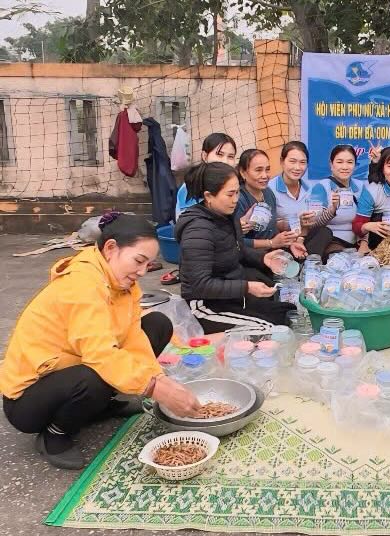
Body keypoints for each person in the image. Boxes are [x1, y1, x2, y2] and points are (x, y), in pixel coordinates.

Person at [0, 213, 201, 469]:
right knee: (95, 374)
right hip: (29, 400)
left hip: (73, 367)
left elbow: (133, 338)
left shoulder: (122, 285)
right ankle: (55, 434)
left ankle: (100, 405)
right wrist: (156, 390)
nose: (141, 272)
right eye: (138, 261)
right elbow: (101, 355)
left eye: (148, 265)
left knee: (157, 325)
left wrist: (158, 378)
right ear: (110, 248)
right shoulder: (82, 285)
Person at [176, 162, 294, 333]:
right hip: (205, 305)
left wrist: (263, 258)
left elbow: (237, 250)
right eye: (230, 194)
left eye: (238, 192)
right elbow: (199, 284)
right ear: (209, 196)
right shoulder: (198, 230)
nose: (236, 199)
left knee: (287, 313)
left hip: (231, 296)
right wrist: (247, 287)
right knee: (269, 330)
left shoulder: (226, 215)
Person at [234, 149, 305, 258]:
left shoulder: (268, 192)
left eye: (267, 170)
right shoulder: (238, 199)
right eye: (258, 170)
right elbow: (237, 241)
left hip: (275, 247)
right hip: (253, 255)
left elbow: (272, 225)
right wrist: (271, 243)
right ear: (243, 173)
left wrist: (289, 241)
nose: (265, 175)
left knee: (323, 232)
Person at [301, 145, 367, 257]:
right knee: (340, 261)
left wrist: (364, 243)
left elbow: (366, 219)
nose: (345, 167)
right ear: (331, 165)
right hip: (331, 242)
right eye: (339, 162)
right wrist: (333, 209)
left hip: (356, 243)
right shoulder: (321, 187)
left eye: (350, 162)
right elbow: (315, 224)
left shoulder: (360, 187)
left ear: (355, 166)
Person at [175, 133, 237, 220]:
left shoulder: (232, 183)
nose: (225, 161)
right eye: (219, 155)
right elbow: (190, 224)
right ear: (205, 156)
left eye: (231, 156)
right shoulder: (190, 187)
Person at [269, 141, 318, 242]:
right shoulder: (270, 189)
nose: (297, 167)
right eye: (292, 161)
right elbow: (268, 224)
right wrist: (296, 222)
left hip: (304, 238)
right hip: (280, 240)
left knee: (325, 232)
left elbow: (312, 221)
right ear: (282, 161)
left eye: (302, 162)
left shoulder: (310, 188)